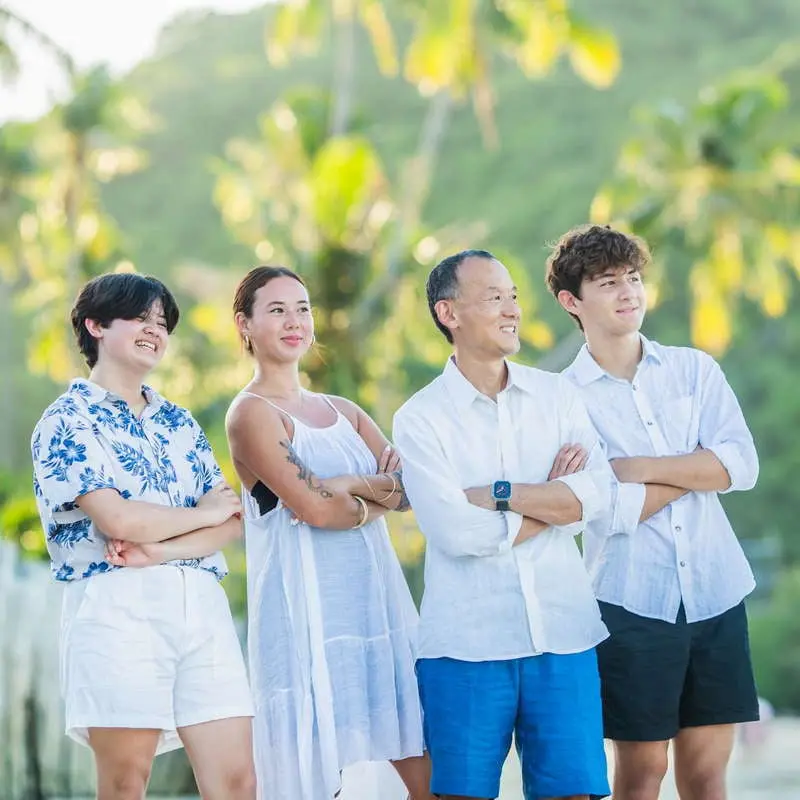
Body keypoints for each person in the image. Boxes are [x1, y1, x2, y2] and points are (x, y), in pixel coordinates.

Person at [547, 224, 760, 800]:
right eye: (609, 282)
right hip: (630, 603)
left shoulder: (695, 369)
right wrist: (693, 467)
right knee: (643, 775)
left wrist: (634, 466)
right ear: (572, 301)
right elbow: (606, 509)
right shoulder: (562, 399)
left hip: (717, 592)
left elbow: (740, 466)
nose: (628, 292)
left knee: (708, 775)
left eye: (634, 278)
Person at [392, 249, 612, 800]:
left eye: (513, 295)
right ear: (449, 313)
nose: (512, 308)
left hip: (564, 636)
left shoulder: (558, 396)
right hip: (465, 648)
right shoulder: (420, 417)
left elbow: (597, 495)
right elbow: (454, 533)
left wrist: (500, 495)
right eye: (494, 297)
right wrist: (552, 505)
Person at [30, 273, 256, 800]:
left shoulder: (178, 421)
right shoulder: (66, 419)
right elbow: (119, 521)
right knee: (127, 781)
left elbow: (229, 521)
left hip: (201, 604)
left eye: (162, 323)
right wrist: (197, 512)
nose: (155, 330)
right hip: (116, 604)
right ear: (96, 325)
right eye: (140, 318)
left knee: (240, 781)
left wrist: (162, 546)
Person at [225, 266, 432, 800]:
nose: (295, 321)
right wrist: (368, 491)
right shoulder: (251, 413)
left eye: (303, 308)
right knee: (319, 781)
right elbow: (316, 510)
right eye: (276, 310)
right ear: (245, 325)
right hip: (305, 616)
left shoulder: (343, 411)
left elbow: (411, 492)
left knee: (429, 771)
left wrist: (347, 485)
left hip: (375, 609)